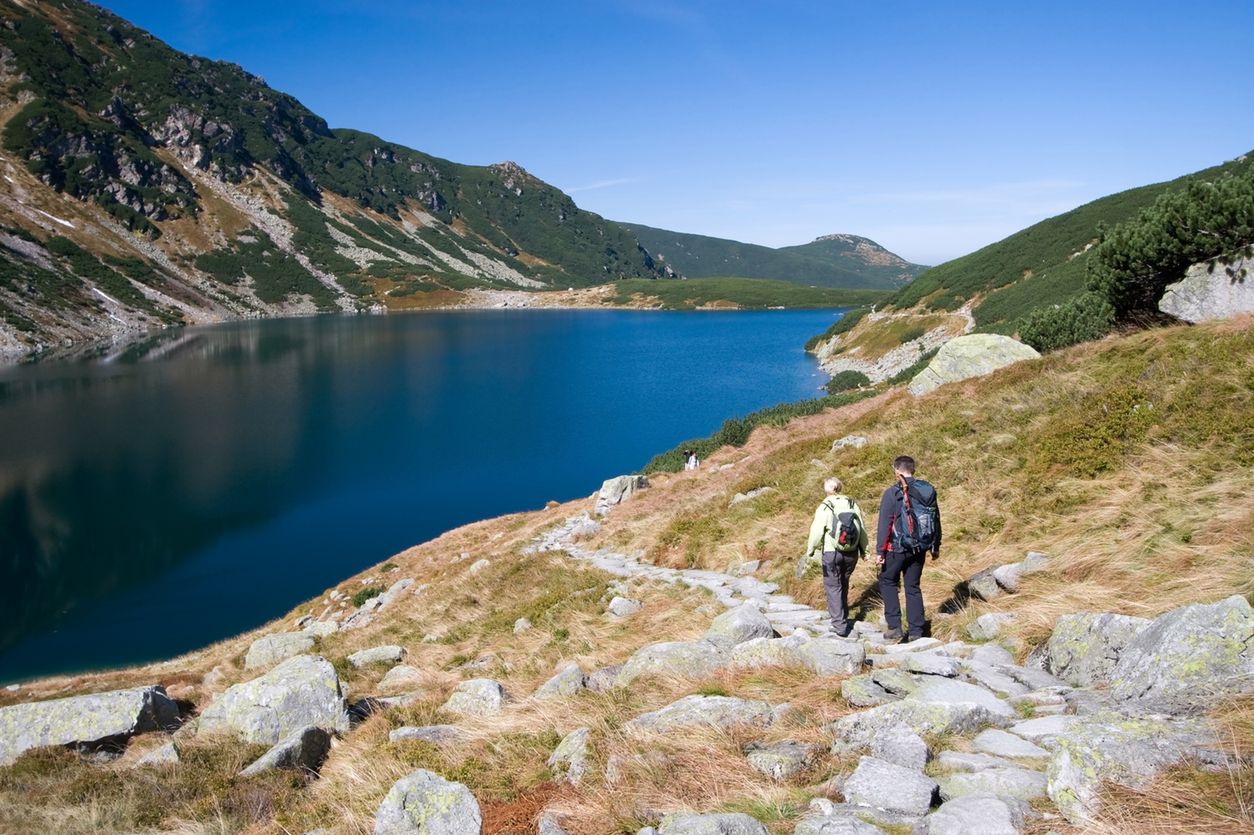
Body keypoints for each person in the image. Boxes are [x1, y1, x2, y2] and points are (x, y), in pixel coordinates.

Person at [875, 455, 942, 642]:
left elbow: (885, 524)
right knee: (913, 586)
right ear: (913, 469)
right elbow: (936, 518)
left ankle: (895, 627)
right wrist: (935, 545)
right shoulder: (927, 490)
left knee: (887, 581)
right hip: (920, 548)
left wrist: (880, 551)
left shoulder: (892, 493)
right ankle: (916, 631)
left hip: (897, 548)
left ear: (897, 470)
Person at [805, 476, 867, 637]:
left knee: (833, 586)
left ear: (827, 489)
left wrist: (810, 550)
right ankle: (843, 616)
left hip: (831, 552)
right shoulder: (852, 504)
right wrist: (864, 551)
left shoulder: (825, 506)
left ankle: (839, 625)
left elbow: (817, 531)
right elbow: (861, 528)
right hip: (851, 552)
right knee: (844, 583)